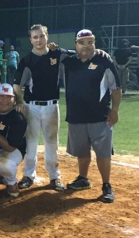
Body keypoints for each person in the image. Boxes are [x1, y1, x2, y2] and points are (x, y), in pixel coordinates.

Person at [62, 29, 122, 203]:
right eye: (82, 42)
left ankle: (106, 185)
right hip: (76, 116)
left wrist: (115, 110)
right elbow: (56, 52)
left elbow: (116, 89)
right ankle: (83, 178)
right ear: (75, 45)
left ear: (95, 43)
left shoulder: (104, 60)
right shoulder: (68, 61)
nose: (86, 46)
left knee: (103, 153)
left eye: (90, 42)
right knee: (82, 151)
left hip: (100, 116)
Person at [12, 24, 66, 192]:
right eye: (35, 37)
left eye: (41, 36)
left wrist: (59, 48)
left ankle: (54, 176)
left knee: (51, 142)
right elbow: (16, 85)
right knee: (31, 143)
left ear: (47, 36)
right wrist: (19, 101)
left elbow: (76, 54)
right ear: (30, 40)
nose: (39, 40)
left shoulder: (56, 54)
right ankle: (28, 175)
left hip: (51, 105)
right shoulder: (27, 60)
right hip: (32, 107)